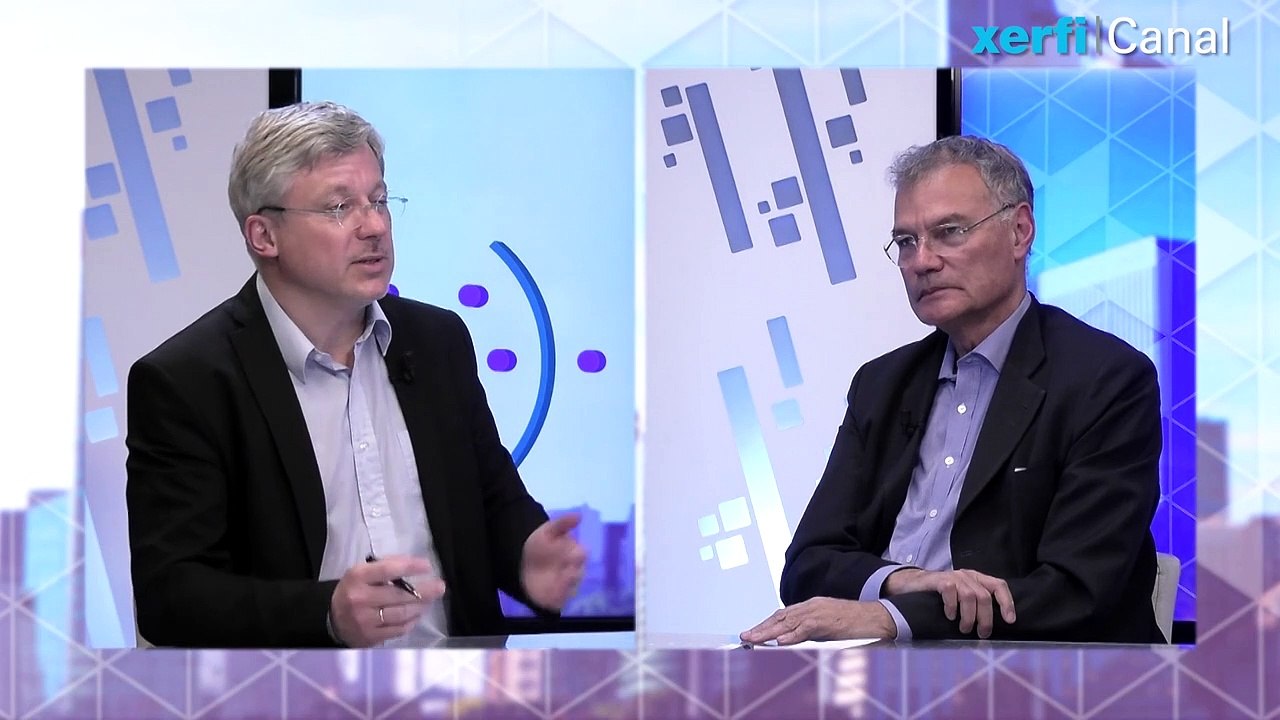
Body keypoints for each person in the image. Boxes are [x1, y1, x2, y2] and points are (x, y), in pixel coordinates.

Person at [126, 101, 586, 648]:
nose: (374, 226)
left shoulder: (437, 342)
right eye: (339, 207)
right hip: (297, 690)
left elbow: (490, 502)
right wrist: (325, 614)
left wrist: (527, 555)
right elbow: (172, 596)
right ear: (264, 236)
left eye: (380, 200)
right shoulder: (187, 382)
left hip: (458, 682)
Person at [741, 136, 1165, 645]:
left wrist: (893, 617)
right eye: (906, 242)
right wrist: (901, 581)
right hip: (881, 667)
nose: (922, 261)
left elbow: (1076, 591)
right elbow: (807, 565)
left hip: (1036, 673)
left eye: (949, 232)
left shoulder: (1107, 379)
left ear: (1020, 232)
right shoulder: (882, 384)